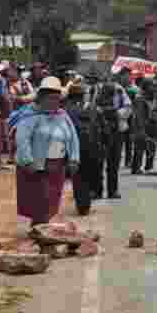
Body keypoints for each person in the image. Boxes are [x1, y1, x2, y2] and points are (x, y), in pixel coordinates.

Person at [13, 77, 79, 227]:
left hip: (57, 165)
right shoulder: (30, 116)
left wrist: (74, 158)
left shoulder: (62, 115)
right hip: (36, 166)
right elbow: (22, 140)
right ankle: (39, 229)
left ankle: (43, 228)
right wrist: (27, 161)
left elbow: (73, 137)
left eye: (57, 99)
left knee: (52, 199)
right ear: (41, 98)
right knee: (39, 199)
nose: (54, 102)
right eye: (50, 98)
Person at [63, 81, 99, 215]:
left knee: (78, 178)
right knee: (87, 176)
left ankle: (82, 205)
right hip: (90, 147)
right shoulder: (91, 108)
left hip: (74, 148)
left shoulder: (65, 110)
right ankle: (85, 204)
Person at [93, 79, 131, 199]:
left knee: (114, 163)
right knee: (98, 162)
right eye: (106, 93)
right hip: (99, 131)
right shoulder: (96, 90)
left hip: (116, 131)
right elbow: (90, 107)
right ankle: (97, 191)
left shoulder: (120, 91)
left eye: (110, 93)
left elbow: (128, 108)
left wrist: (116, 113)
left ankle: (112, 191)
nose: (107, 96)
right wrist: (100, 112)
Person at [131, 77, 157, 175]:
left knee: (152, 147)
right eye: (152, 86)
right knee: (139, 148)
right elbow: (138, 116)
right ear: (146, 88)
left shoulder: (156, 99)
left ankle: (149, 167)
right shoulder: (140, 99)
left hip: (153, 126)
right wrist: (140, 130)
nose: (154, 88)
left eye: (155, 86)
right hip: (142, 127)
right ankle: (136, 168)